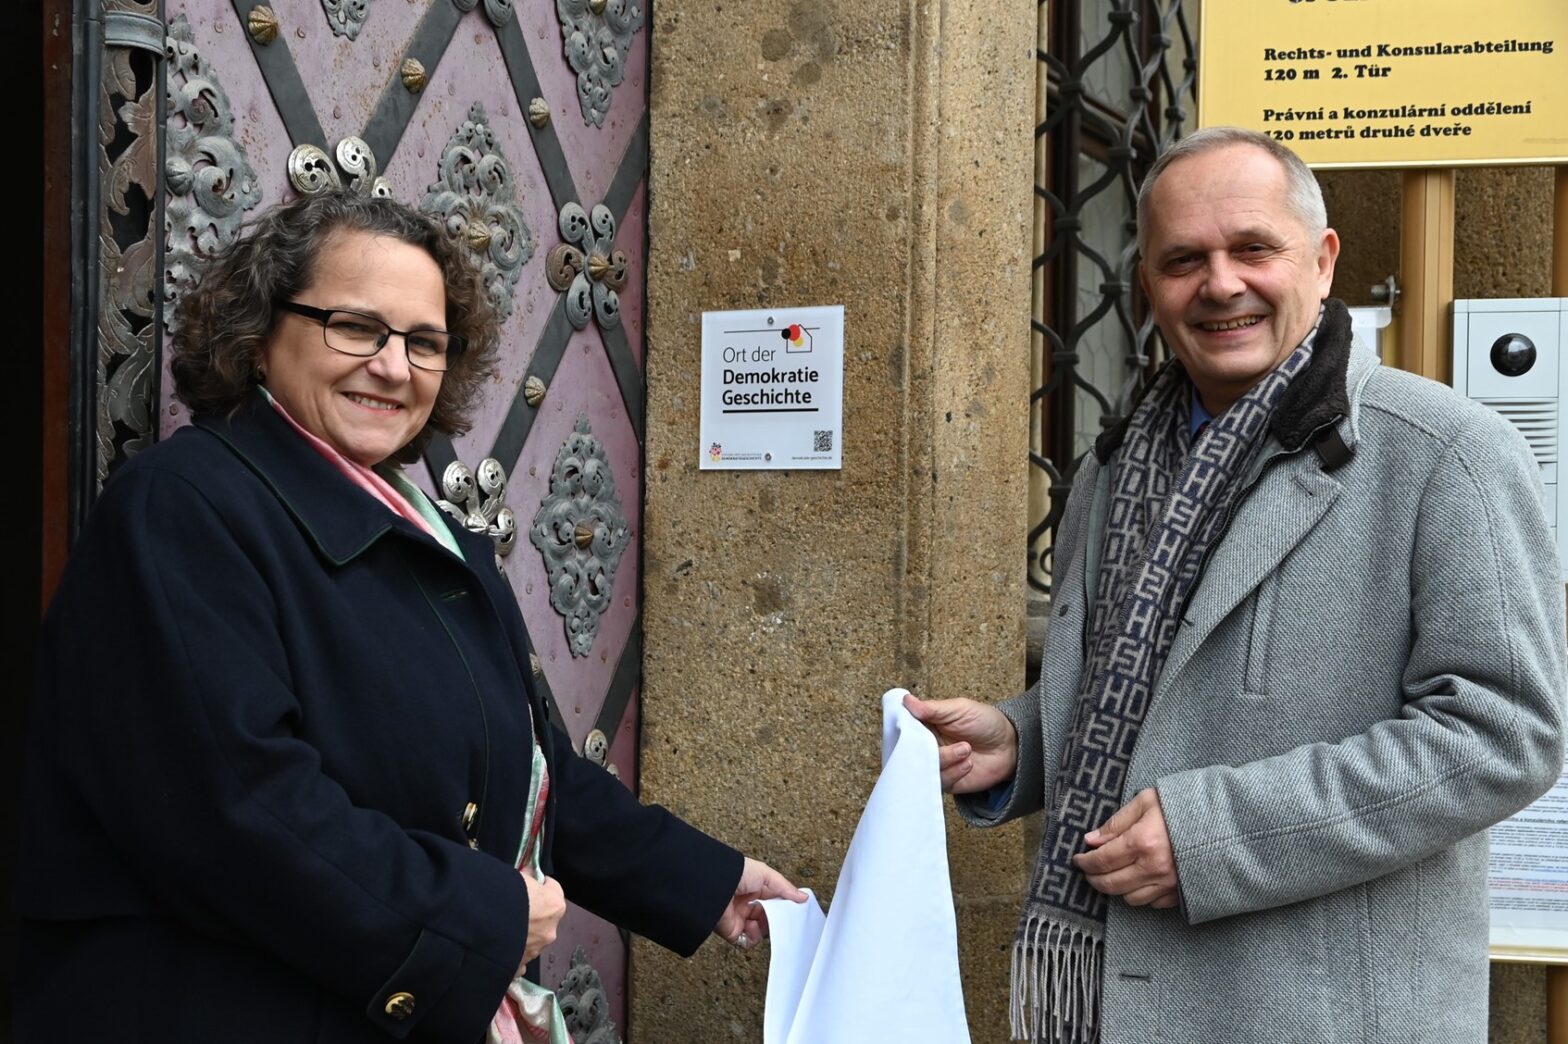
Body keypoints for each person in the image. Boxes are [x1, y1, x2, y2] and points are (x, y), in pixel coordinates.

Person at [16, 191, 802, 1043]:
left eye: (425, 342)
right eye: (355, 327)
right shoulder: (182, 508)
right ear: (258, 333)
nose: (393, 367)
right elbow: (239, 810)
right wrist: (483, 913)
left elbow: (532, 774)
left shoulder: (436, 535)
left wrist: (706, 881)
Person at [907, 126, 1566, 1043]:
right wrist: (1024, 743)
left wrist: (1219, 836)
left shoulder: (1447, 454)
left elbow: (1506, 734)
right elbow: (1150, 703)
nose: (1220, 284)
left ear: (1324, 260)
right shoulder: (1113, 469)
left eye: (1253, 248)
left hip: (1323, 1015)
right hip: (1113, 1003)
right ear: (1147, 285)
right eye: (1183, 260)